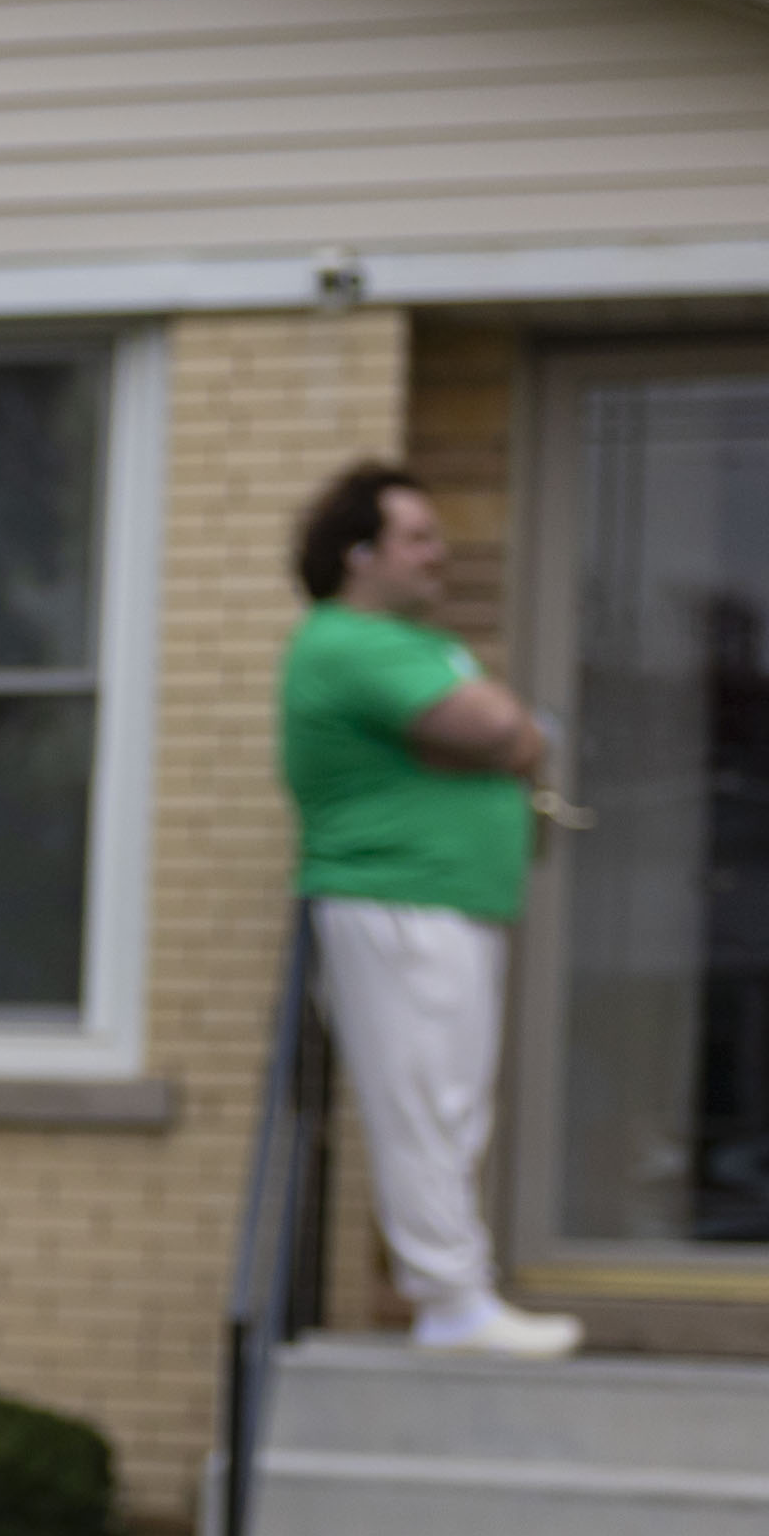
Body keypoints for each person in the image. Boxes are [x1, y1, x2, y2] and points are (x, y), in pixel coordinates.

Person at [281, 462, 582, 1360]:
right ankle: (451, 1302)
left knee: (451, 1104)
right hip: (396, 901)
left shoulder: (407, 647)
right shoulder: (348, 642)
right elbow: (499, 730)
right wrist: (517, 736)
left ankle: (454, 1293)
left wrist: (512, 734)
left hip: (443, 902)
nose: (437, 556)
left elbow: (501, 728)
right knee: (422, 1102)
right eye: (417, 538)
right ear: (359, 554)